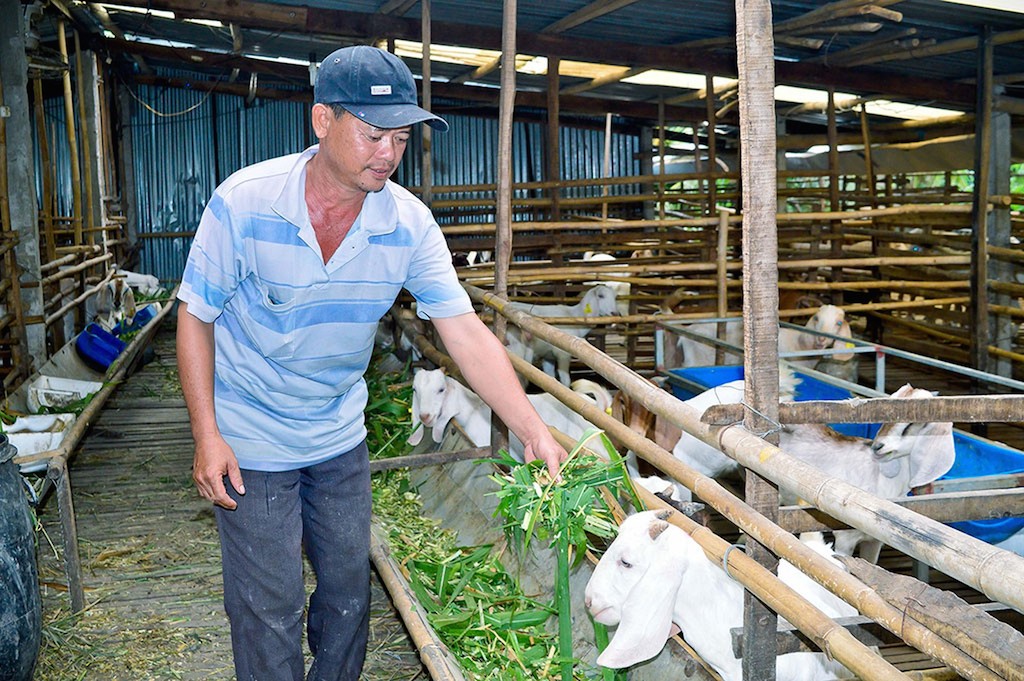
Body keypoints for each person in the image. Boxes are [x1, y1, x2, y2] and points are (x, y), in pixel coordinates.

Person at [176, 45, 567, 680]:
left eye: (402, 138)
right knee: (266, 605)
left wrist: (531, 428)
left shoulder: (408, 224)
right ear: (322, 120)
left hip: (337, 432)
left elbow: (463, 331)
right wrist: (207, 434)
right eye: (373, 132)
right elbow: (194, 315)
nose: (387, 152)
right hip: (251, 435)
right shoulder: (243, 204)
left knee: (347, 592)